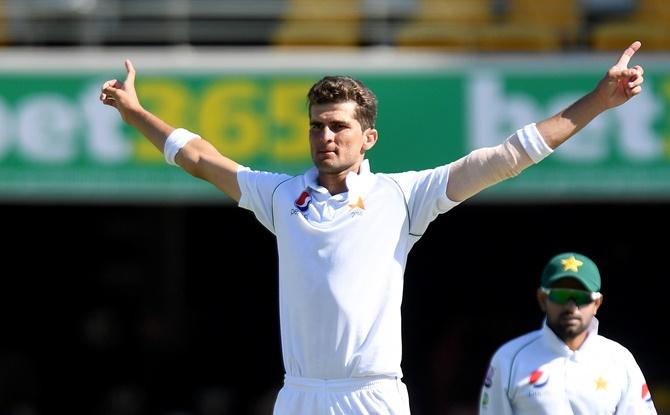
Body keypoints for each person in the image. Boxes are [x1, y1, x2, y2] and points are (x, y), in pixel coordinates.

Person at [99, 42, 645, 414]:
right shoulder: (279, 195)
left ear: (369, 139)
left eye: (339, 126)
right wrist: (135, 113)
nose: (326, 136)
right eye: (317, 125)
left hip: (373, 397)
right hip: (301, 396)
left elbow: (507, 156)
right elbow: (199, 157)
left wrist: (600, 100)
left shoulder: (402, 197)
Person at [478, 252, 658, 414]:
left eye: (581, 297)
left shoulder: (620, 360)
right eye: (561, 296)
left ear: (597, 304)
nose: (571, 307)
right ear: (542, 299)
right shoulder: (509, 358)